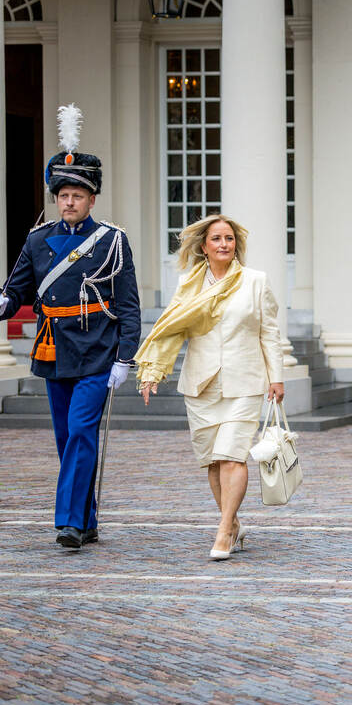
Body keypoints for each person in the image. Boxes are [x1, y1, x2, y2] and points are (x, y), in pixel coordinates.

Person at [0, 104, 140, 549]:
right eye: (63, 195)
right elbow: (18, 291)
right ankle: (87, 519)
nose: (69, 202)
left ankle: (68, 522)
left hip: (96, 350)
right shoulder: (37, 239)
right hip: (54, 349)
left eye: (78, 196)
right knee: (66, 436)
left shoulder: (112, 240)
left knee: (81, 430)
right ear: (56, 198)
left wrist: (125, 357)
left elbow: (128, 304)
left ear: (92, 199)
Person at [135, 214, 284, 560]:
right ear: (204, 246)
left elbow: (269, 332)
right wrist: (152, 372)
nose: (223, 244)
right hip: (200, 384)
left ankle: (223, 530)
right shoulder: (189, 284)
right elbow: (170, 329)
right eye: (216, 238)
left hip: (244, 382)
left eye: (229, 239)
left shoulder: (255, 281)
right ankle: (233, 524)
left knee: (233, 456)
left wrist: (275, 376)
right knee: (214, 462)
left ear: (237, 245)